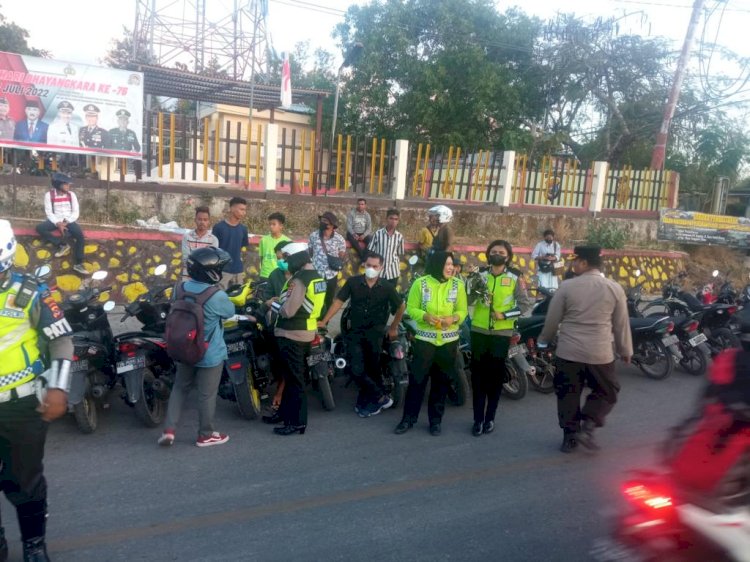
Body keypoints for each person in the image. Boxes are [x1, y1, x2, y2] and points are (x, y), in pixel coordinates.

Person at [0, 219, 74, 561]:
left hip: (22, 404)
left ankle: (34, 544)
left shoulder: (31, 291)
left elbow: (61, 339)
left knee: (25, 481)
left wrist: (58, 388)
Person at [537, 245, 633, 453]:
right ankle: (589, 422)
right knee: (607, 391)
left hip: (568, 352)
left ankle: (569, 438)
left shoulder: (567, 287)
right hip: (600, 353)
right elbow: (621, 324)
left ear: (584, 263)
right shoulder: (614, 288)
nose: (572, 264)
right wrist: (626, 350)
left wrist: (543, 341)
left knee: (568, 394)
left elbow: (552, 321)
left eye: (575, 261)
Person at [158, 247, 235, 448]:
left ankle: (169, 431)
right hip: (209, 353)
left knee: (179, 388)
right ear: (211, 272)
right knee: (206, 395)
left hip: (184, 348)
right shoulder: (216, 295)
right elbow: (229, 312)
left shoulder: (180, 288)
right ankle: (205, 434)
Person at [318, 252, 405, 417]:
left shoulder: (387, 287)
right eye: (368, 265)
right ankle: (381, 397)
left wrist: (393, 327)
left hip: (376, 333)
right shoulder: (353, 282)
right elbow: (338, 301)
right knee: (356, 369)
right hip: (355, 332)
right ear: (364, 265)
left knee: (372, 368)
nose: (371, 269)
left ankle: (368, 400)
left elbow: (401, 306)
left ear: (381, 268)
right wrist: (324, 321)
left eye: (375, 266)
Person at [395, 250, 467, 436]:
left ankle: (435, 421)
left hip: (448, 342)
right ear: (436, 264)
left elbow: (463, 311)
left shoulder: (458, 285)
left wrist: (453, 318)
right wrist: (425, 316)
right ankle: (408, 419)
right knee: (417, 381)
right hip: (425, 342)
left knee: (441, 383)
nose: (450, 268)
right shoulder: (421, 283)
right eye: (447, 264)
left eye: (452, 264)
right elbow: (410, 308)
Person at [469, 240, 532, 436]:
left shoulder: (514, 277)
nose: (497, 254)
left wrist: (504, 315)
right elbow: (467, 300)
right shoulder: (480, 274)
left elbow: (524, 305)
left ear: (508, 256)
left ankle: (490, 418)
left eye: (501, 252)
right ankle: (477, 419)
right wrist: (471, 284)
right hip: (479, 331)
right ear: (488, 254)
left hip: (501, 334)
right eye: (493, 251)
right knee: (478, 378)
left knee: (494, 379)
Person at [269, 242, 327, 436]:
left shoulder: (300, 280)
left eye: (287, 258)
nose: (285, 262)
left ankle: (297, 422)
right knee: (291, 376)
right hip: (306, 332)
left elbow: (288, 310)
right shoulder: (317, 277)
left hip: (292, 333)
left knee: (295, 380)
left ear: (296, 258)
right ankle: (285, 414)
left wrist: (272, 304)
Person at [35, 172, 90, 276]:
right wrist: (58, 223)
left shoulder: (71, 195)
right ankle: (62, 245)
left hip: (69, 220)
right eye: (66, 184)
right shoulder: (49, 195)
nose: (68, 186)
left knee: (80, 237)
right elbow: (49, 212)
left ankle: (79, 264)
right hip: (55, 220)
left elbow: (76, 212)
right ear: (58, 185)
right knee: (40, 228)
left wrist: (66, 222)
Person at [308, 211, 346, 316]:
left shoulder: (339, 239)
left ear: (332, 225)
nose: (322, 222)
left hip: (331, 275)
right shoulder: (313, 236)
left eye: (325, 221)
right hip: (316, 273)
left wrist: (332, 259)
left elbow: (341, 255)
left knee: (328, 300)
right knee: (315, 299)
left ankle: (324, 324)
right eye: (322, 220)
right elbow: (310, 252)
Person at [212, 197, 250, 289]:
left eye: (245, 210)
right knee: (219, 298)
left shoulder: (243, 229)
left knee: (237, 300)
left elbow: (243, 248)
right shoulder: (218, 228)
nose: (244, 213)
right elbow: (213, 249)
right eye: (241, 209)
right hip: (222, 271)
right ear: (232, 208)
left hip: (238, 271)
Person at [367, 209, 404, 287]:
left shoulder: (399, 237)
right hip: (379, 271)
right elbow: (371, 251)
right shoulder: (378, 234)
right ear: (386, 219)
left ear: (398, 221)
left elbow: (399, 254)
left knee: (390, 295)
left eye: (396, 219)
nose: (393, 221)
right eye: (391, 218)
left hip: (393, 272)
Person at [181, 206, 219, 277]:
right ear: (195, 220)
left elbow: (212, 261)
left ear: (209, 221)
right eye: (199, 219)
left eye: (205, 220)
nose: (202, 222)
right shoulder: (187, 237)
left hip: (206, 278)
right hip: (188, 277)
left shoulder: (213, 240)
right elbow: (186, 258)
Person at [258, 212, 290, 283]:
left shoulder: (287, 241)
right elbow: (262, 258)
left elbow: (289, 261)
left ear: (281, 226)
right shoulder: (264, 240)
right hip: (265, 275)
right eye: (270, 224)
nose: (271, 226)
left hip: (279, 276)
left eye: (274, 224)